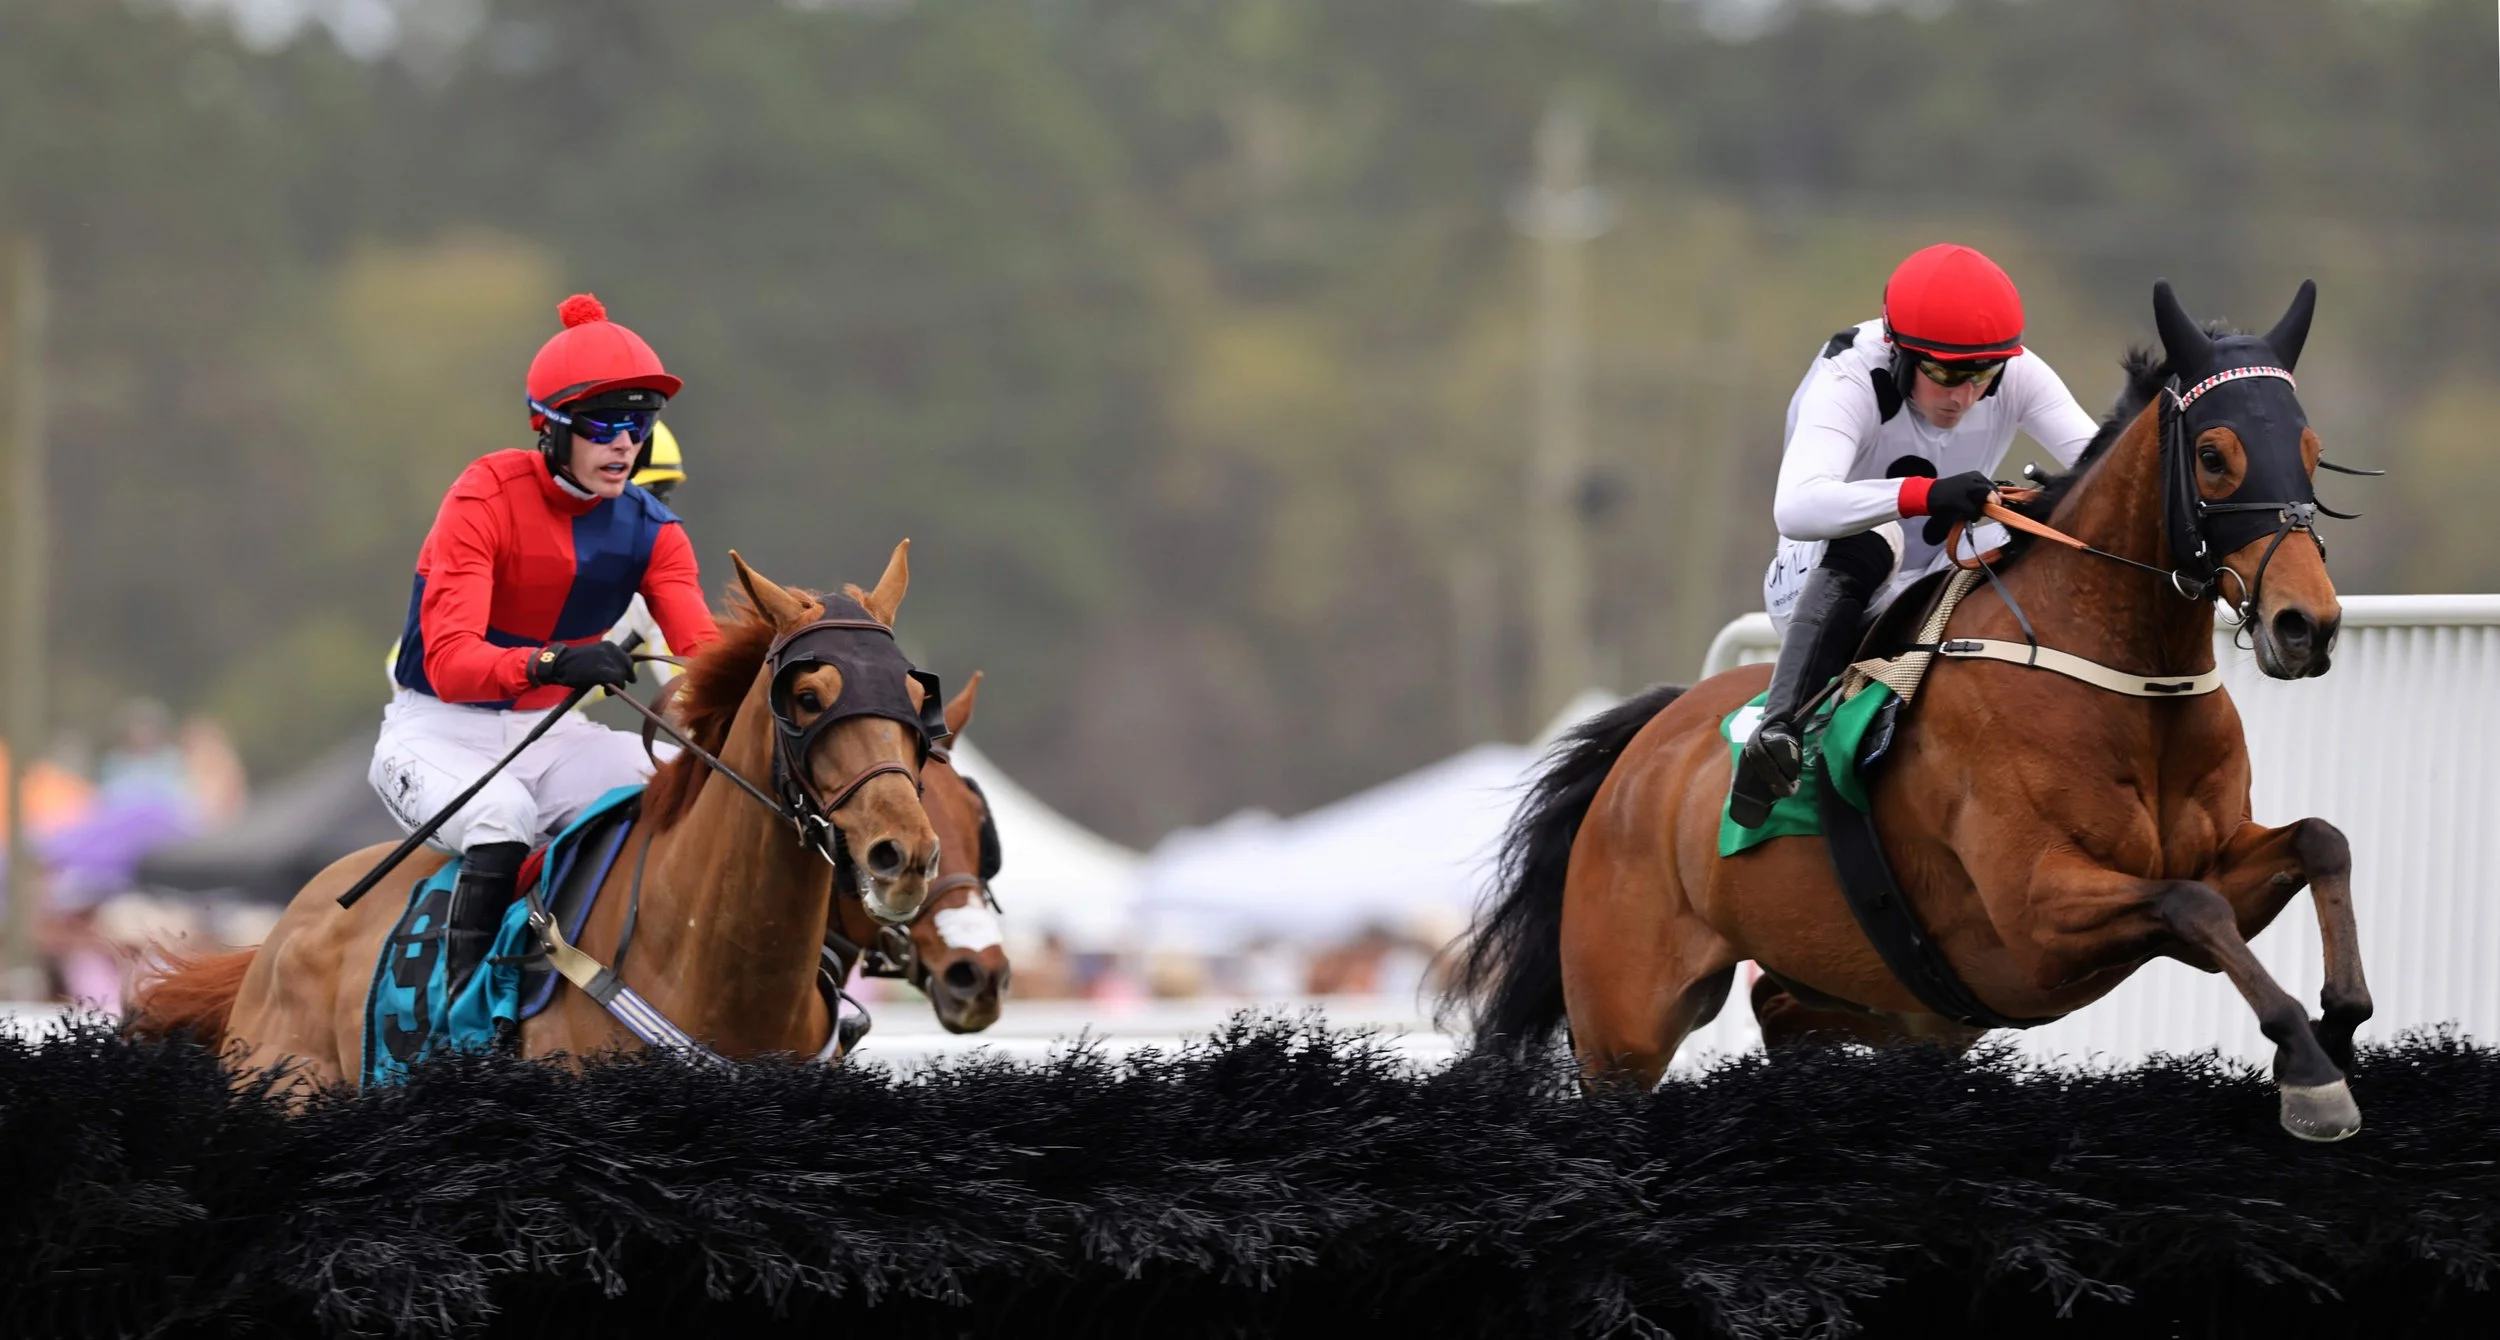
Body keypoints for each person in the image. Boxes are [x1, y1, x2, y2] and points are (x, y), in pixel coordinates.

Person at [371, 294, 719, 994]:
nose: (626, 443)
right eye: (604, 424)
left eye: (642, 423)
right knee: (503, 815)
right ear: (550, 427)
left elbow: (709, 658)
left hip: (553, 735)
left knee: (690, 788)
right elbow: (453, 664)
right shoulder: (483, 496)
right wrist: (555, 662)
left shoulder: (654, 530)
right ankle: (464, 1024)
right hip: (437, 730)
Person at [1728, 244, 2101, 828]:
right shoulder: (1849, 373)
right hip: (1819, 578)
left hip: (1934, 578)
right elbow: (1797, 506)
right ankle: (1778, 735)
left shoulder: (2020, 370)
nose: (1963, 396)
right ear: (1899, 352)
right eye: (1945, 373)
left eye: (1981, 376)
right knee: (1878, 537)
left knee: (2036, 531)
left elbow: (2103, 470)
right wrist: (1925, 495)